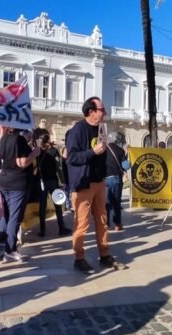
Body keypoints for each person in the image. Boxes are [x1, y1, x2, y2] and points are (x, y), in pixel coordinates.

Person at [66, 96, 127, 274]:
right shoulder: (78, 130)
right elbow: (72, 158)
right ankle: (79, 258)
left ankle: (105, 255)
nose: (105, 112)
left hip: (100, 182)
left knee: (102, 220)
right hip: (83, 184)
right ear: (91, 112)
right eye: (102, 109)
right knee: (82, 224)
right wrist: (92, 152)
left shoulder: (102, 129)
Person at [0, 126, 40, 262]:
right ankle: (10, 250)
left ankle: (2, 241)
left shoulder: (3, 138)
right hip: (17, 183)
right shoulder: (19, 140)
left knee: (8, 214)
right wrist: (34, 153)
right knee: (15, 217)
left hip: (4, 180)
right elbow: (21, 163)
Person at [35, 130, 71, 237]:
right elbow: (59, 167)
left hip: (41, 181)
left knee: (42, 206)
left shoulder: (36, 151)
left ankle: (42, 230)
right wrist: (63, 181)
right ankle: (61, 228)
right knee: (58, 205)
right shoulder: (54, 150)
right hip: (53, 181)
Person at [104, 131, 126, 231]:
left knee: (106, 202)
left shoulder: (103, 149)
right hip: (117, 178)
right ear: (117, 140)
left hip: (105, 179)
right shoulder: (120, 151)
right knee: (117, 202)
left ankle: (106, 224)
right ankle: (117, 224)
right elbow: (126, 166)